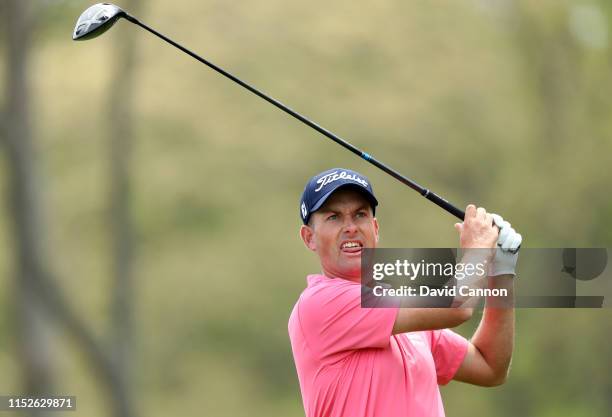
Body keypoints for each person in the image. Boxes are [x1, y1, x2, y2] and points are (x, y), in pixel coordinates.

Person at [288, 168, 522, 417]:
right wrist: (478, 250)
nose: (350, 227)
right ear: (309, 238)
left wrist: (502, 271)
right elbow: (458, 305)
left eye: (360, 214)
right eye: (333, 217)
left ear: (375, 228)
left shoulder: (406, 317)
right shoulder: (320, 304)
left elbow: (490, 367)